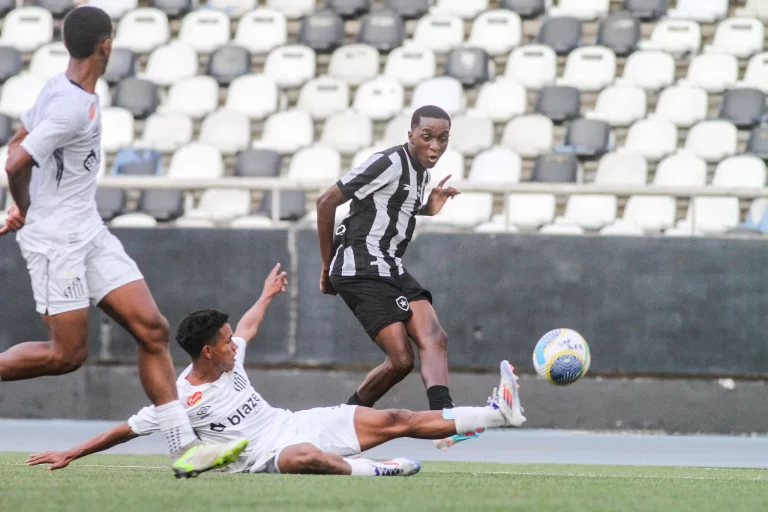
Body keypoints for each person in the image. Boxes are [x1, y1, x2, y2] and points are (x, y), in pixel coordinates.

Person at [0, 6, 246, 477]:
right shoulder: (70, 102)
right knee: (65, 356)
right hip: (56, 241)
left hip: (87, 231)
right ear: (106, 45)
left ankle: (183, 448)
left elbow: (18, 141)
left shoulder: (62, 88)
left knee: (152, 328)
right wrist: (27, 208)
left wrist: (28, 200)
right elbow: (15, 163)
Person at [26, 265, 526, 476]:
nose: (234, 345)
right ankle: (377, 473)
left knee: (396, 418)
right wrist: (71, 454)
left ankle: (500, 415)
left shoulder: (230, 355)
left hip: (293, 421)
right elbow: (124, 430)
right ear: (205, 353)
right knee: (307, 458)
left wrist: (266, 295)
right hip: (268, 454)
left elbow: (247, 326)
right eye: (224, 343)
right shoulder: (177, 399)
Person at [315, 105, 479, 450]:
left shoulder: (420, 174)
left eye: (443, 139)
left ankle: (446, 421)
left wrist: (428, 207)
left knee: (434, 336)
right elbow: (326, 200)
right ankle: (341, 423)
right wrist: (327, 265)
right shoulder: (387, 161)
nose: (435, 146)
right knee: (401, 359)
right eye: (427, 137)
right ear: (410, 136)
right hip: (361, 266)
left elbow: (395, 204)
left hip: (389, 265)